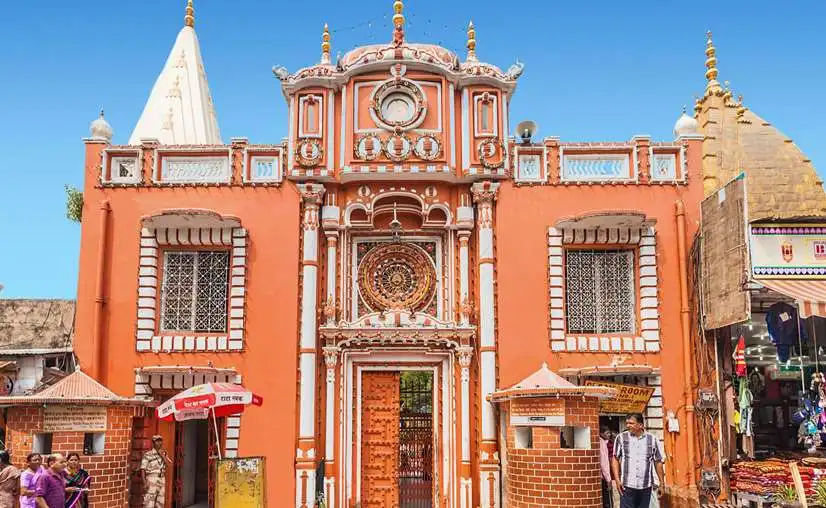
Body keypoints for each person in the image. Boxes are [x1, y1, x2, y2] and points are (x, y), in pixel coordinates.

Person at [611, 413, 666, 508]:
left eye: (631, 423)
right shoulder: (621, 438)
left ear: (641, 425)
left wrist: (662, 484)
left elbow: (658, 462)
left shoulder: (653, 439)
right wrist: (617, 479)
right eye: (627, 423)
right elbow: (615, 459)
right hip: (626, 486)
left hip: (646, 487)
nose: (628, 426)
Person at [141, 435, 172, 508]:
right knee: (149, 503)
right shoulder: (148, 454)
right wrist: (144, 482)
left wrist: (162, 455)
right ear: (153, 443)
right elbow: (143, 469)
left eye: (160, 441)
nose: (159, 443)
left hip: (161, 478)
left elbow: (169, 465)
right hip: (152, 479)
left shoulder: (164, 453)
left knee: (160, 502)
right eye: (157, 441)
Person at [599, 426, 613, 508]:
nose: (609, 434)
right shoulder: (601, 442)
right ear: (601, 433)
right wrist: (608, 479)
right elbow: (604, 462)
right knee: (606, 502)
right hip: (603, 478)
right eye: (607, 433)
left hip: (599, 477)